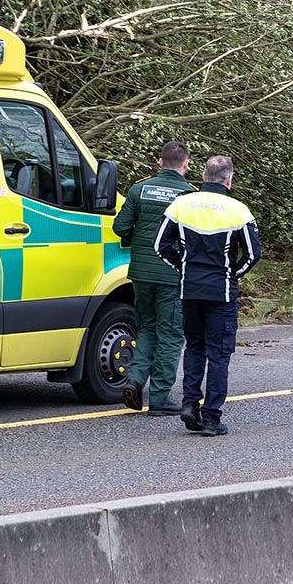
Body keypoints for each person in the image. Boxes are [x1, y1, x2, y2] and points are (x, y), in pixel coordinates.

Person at [155, 155, 262, 436]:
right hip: (221, 291)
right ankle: (212, 418)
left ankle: (190, 403)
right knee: (219, 354)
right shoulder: (238, 210)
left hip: (189, 288)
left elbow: (160, 245)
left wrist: (182, 265)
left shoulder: (182, 204)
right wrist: (232, 272)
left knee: (194, 346)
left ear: (203, 176)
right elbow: (253, 254)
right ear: (229, 180)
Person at [112, 141, 194, 415]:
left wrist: (138, 241)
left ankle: (134, 382)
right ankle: (159, 398)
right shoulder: (189, 196)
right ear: (186, 165)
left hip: (140, 274)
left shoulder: (139, 189)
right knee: (170, 335)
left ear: (159, 162)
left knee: (146, 329)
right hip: (171, 276)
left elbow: (120, 226)